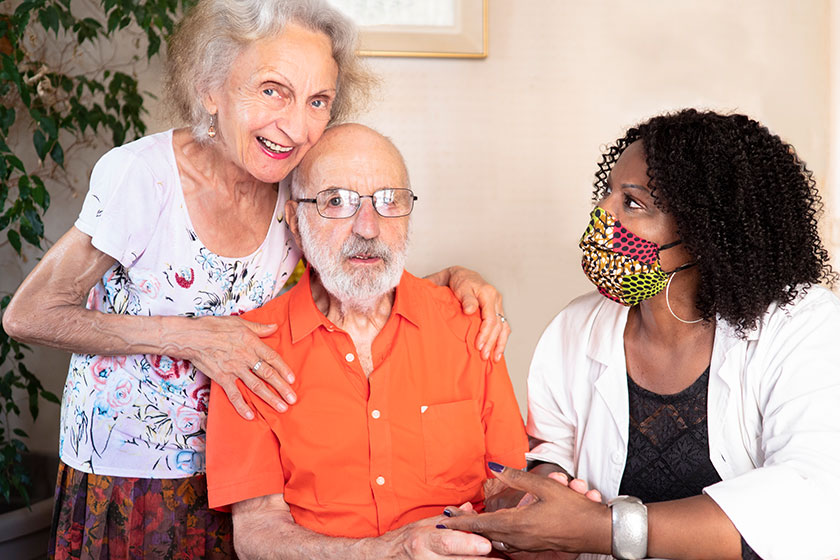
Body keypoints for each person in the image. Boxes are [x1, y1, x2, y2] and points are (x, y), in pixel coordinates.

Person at [1, 1, 510, 557]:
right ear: (210, 90)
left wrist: (455, 283)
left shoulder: (293, 187)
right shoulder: (143, 178)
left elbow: (355, 272)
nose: (295, 125)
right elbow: (30, 314)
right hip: (133, 474)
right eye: (273, 90)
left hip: (252, 473)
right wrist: (193, 337)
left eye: (318, 101)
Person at [442, 109, 840, 560]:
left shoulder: (802, 323)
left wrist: (601, 529)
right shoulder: (576, 328)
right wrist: (537, 498)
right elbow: (551, 452)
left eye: (633, 203)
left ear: (706, 229)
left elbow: (818, 501)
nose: (603, 215)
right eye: (608, 194)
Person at [205, 123, 529, 560]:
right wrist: (387, 551)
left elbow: (505, 487)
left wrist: (536, 511)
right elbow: (257, 533)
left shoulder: (471, 325)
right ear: (296, 223)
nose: (369, 227)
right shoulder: (248, 351)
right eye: (336, 201)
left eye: (388, 200)